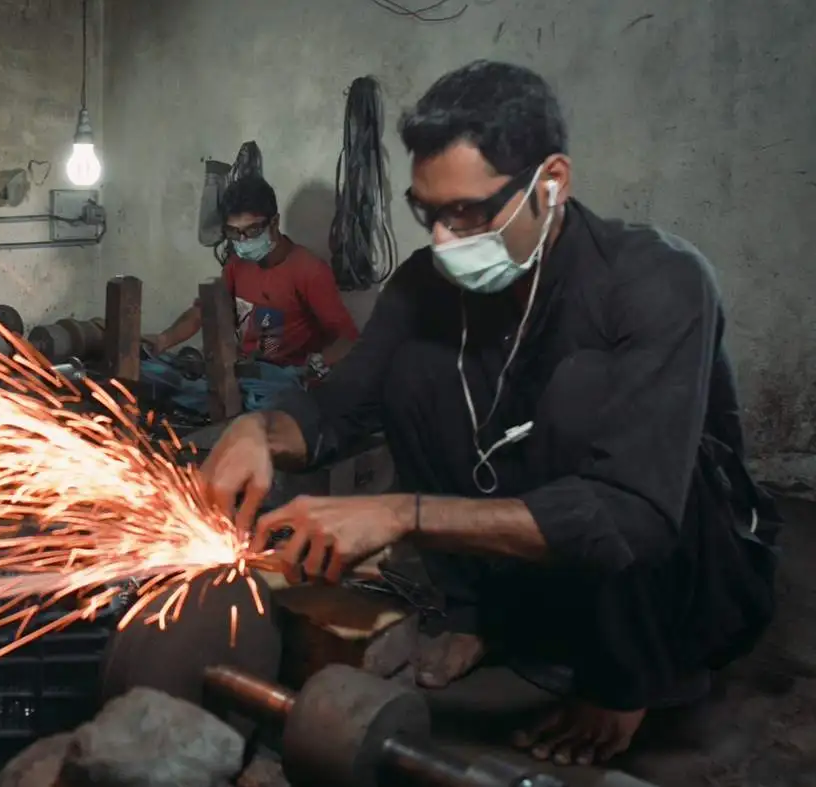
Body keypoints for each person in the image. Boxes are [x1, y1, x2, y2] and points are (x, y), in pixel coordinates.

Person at [200, 61, 779, 766]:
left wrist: (401, 513)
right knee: (414, 372)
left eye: (470, 212)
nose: (445, 240)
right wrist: (258, 431)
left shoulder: (657, 280)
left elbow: (634, 513)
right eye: (429, 213)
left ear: (552, 183)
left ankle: (635, 669)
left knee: (576, 395)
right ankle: (481, 617)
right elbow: (337, 408)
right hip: (543, 565)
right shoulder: (424, 286)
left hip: (682, 581)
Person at [142, 176, 359, 374]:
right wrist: (162, 340)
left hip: (287, 383)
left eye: (252, 230)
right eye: (234, 232)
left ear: (274, 222)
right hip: (243, 374)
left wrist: (315, 366)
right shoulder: (237, 265)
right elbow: (204, 312)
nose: (243, 241)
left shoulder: (309, 271)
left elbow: (348, 340)